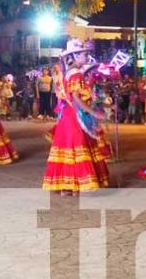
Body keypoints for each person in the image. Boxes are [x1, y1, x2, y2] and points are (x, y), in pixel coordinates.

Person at [43, 39, 110, 194]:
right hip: (74, 115)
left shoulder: (72, 73)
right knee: (77, 146)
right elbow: (75, 97)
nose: (87, 57)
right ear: (75, 56)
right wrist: (93, 112)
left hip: (70, 115)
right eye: (84, 54)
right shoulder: (76, 74)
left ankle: (69, 185)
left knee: (70, 148)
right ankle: (73, 185)